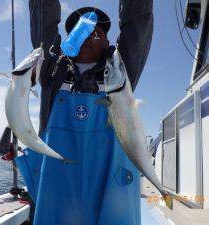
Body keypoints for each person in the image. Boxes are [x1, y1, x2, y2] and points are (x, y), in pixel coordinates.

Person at [17, 1, 153, 224]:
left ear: (108, 42)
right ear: (70, 39)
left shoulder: (121, 70)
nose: (90, 35)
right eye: (82, 30)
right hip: (57, 185)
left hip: (110, 185)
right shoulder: (52, 69)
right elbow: (43, 19)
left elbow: (138, 23)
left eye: (97, 32)